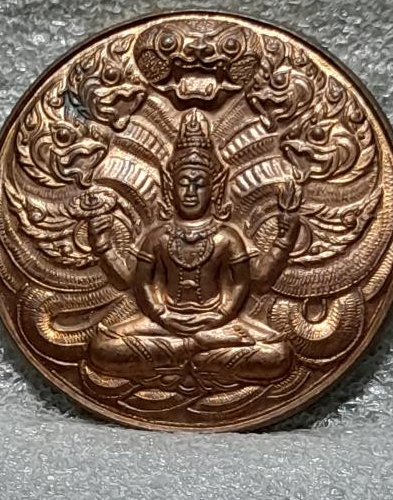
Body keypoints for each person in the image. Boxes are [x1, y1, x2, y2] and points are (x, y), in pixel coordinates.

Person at [88, 109, 299, 391]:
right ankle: (196, 349)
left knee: (279, 354)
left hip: (218, 322)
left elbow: (253, 283)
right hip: (164, 323)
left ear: (215, 189)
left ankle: (183, 353)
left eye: (199, 184)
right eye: (183, 183)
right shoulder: (158, 238)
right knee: (102, 347)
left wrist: (285, 238)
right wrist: (102, 244)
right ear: (169, 187)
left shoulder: (226, 238)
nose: (190, 192)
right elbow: (135, 283)